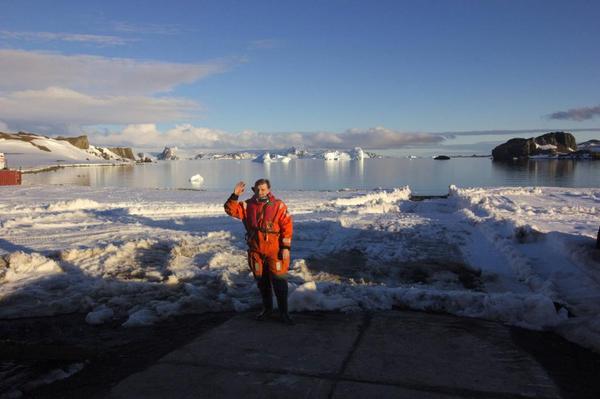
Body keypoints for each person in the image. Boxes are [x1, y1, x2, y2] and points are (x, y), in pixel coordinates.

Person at [224, 178, 294, 324]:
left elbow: (287, 226)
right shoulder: (247, 205)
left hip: (275, 250)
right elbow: (230, 210)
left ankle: (283, 313)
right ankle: (267, 310)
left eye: (263, 189)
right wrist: (235, 195)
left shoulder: (278, 205)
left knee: (279, 282)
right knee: (262, 282)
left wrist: (286, 247)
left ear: (268, 190)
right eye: (257, 189)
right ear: (253, 190)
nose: (260, 192)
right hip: (256, 251)